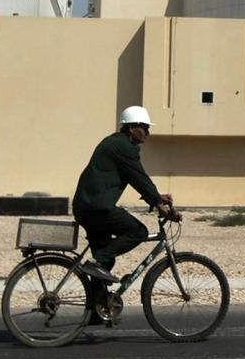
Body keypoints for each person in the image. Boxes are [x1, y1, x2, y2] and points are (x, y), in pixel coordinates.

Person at [72, 105, 174, 284]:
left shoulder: (117, 143)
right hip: (96, 208)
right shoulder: (122, 146)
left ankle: (97, 309)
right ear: (132, 127)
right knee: (138, 232)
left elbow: (135, 177)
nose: (147, 133)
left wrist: (157, 196)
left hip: (87, 207)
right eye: (145, 128)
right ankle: (97, 261)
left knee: (104, 264)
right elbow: (138, 176)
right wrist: (158, 203)